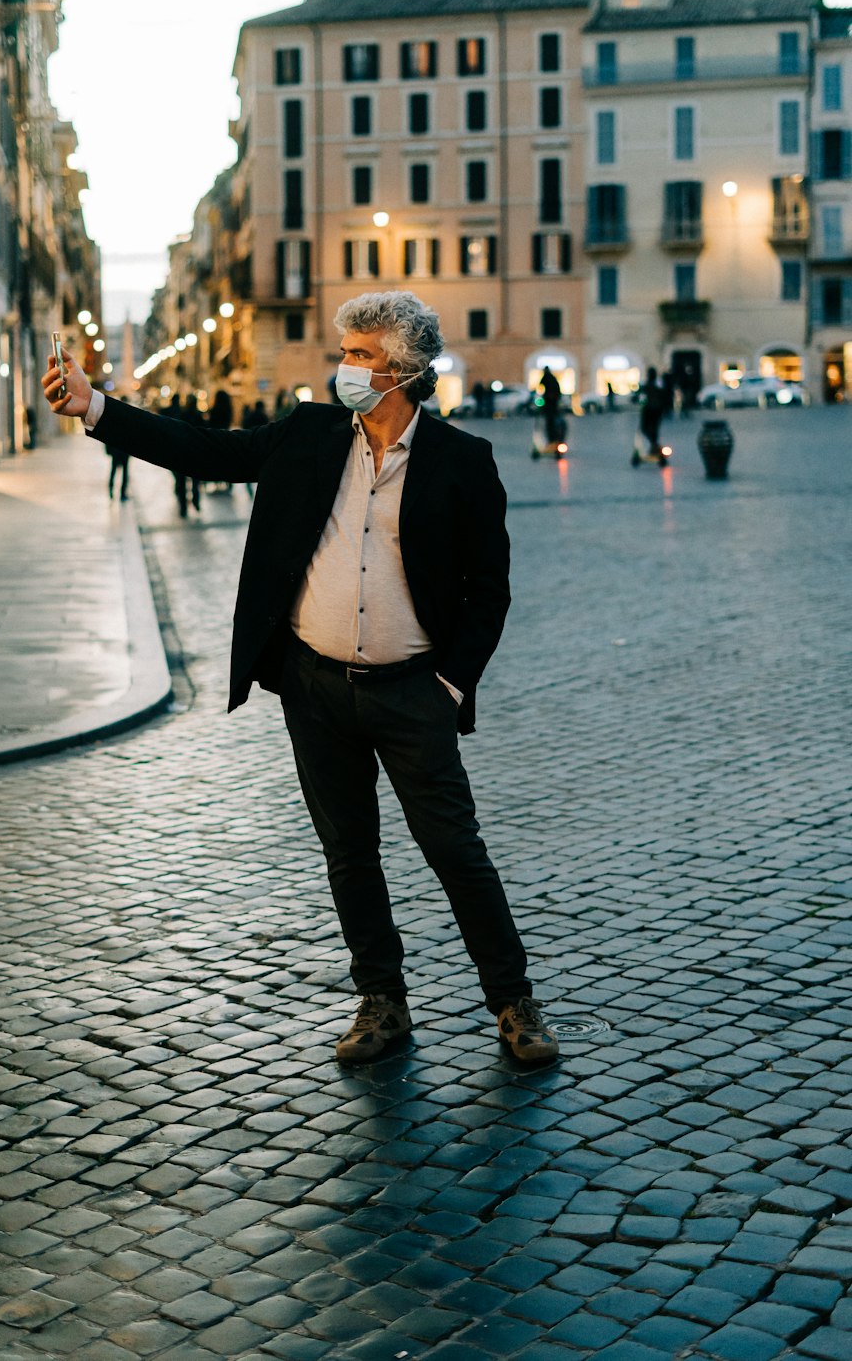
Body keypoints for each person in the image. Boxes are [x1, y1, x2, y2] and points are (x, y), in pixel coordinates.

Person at [42, 291, 558, 1071]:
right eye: (344, 352)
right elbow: (207, 450)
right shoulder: (311, 434)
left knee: (455, 849)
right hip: (317, 689)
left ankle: (513, 1002)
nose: (345, 368)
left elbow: (490, 589)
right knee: (349, 852)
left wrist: (449, 685)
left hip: (413, 692)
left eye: (361, 356)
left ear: (405, 372)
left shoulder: (462, 462)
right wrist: (98, 408)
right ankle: (382, 1002)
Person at [640, 366, 665, 455]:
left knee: (644, 428)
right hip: (658, 410)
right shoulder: (658, 384)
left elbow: (642, 396)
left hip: (649, 410)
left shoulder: (648, 385)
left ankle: (654, 446)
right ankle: (654, 446)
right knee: (654, 429)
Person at [539, 364, 562, 443]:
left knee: (550, 422)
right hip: (554, 403)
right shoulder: (553, 378)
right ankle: (555, 439)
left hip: (549, 403)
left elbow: (540, 385)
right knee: (554, 420)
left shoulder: (546, 377)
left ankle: (551, 440)